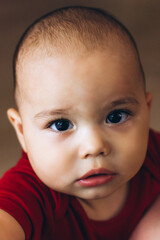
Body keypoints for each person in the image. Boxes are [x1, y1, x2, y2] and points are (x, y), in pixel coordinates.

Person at [0, 6, 160, 240]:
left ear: (146, 111)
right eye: (61, 125)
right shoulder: (30, 193)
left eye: (116, 117)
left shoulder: (152, 155)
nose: (94, 146)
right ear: (22, 132)